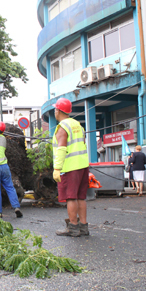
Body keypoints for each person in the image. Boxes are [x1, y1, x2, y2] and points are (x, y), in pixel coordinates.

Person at [51, 98, 90, 237]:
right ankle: (84, 227)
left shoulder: (62, 127)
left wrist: (57, 168)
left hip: (70, 167)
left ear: (58, 111)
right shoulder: (77, 125)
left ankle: (73, 227)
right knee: (81, 197)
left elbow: (61, 148)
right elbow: (83, 143)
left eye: (55, 109)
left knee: (70, 197)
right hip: (83, 166)